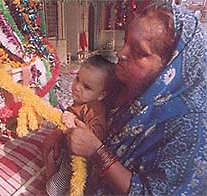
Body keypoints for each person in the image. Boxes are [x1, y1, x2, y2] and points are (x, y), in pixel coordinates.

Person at [43, 2, 207, 195]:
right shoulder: (123, 84)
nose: (121, 53)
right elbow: (85, 112)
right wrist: (60, 132)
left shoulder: (190, 124)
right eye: (126, 41)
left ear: (170, 66)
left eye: (139, 52)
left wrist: (97, 152)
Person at [43, 55, 119, 195]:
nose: (77, 87)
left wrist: (72, 125)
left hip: (79, 160)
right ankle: (50, 180)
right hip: (67, 149)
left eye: (87, 87)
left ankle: (53, 189)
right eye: (77, 78)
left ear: (101, 94)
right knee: (48, 147)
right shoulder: (81, 102)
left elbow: (96, 136)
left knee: (55, 188)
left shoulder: (95, 109)